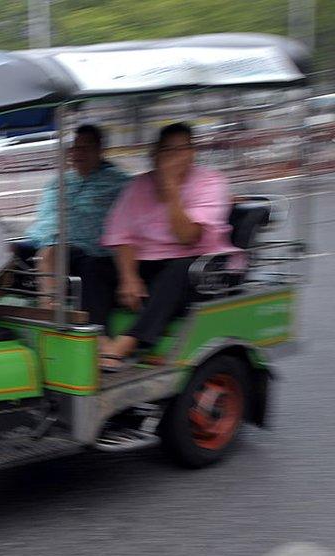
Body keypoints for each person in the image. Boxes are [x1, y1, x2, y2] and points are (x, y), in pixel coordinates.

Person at [99, 122, 238, 371]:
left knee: (179, 270)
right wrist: (128, 277)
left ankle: (127, 343)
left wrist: (172, 189)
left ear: (191, 153)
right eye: (166, 151)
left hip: (198, 264)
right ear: (155, 154)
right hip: (149, 263)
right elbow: (122, 235)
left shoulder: (211, 182)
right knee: (93, 265)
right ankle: (100, 341)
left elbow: (188, 237)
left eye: (179, 151)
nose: (172, 158)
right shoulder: (138, 186)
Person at [25, 124, 129, 328]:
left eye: (86, 147)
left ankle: (57, 311)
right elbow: (45, 220)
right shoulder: (58, 183)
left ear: (100, 150)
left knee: (82, 264)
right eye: (75, 148)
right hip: (53, 243)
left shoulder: (119, 183)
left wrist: (53, 244)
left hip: (95, 251)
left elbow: (112, 226)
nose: (78, 153)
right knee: (8, 253)